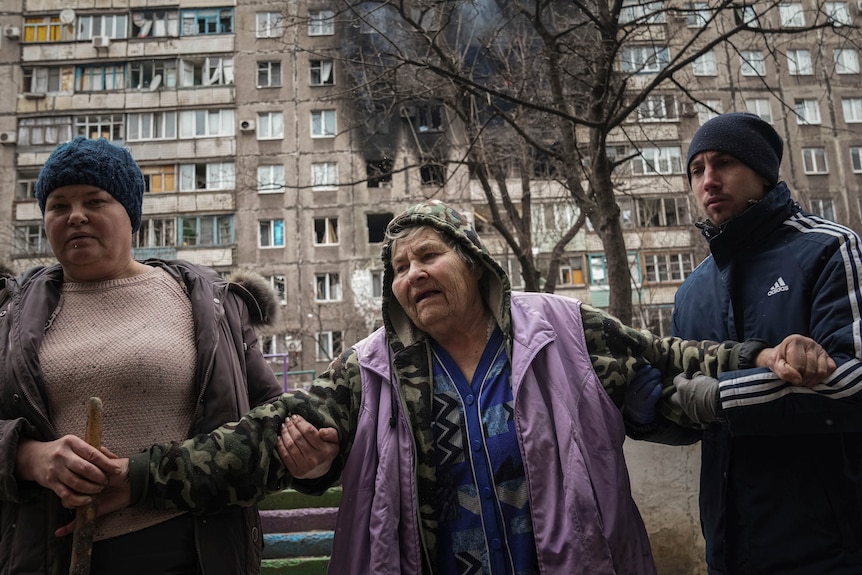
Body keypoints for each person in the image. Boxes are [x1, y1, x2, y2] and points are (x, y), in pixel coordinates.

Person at [95, 199, 834, 575]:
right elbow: (255, 442)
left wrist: (763, 353)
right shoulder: (373, 365)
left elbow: (669, 361)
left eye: (428, 254)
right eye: (398, 267)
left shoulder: (562, 329)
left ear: (474, 259)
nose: (411, 273)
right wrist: (139, 476)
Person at [0, 136, 298, 575]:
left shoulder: (208, 303)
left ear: (131, 214)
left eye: (95, 200)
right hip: (49, 557)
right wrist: (28, 457)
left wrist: (315, 453)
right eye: (58, 205)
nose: (75, 215)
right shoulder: (9, 314)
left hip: (198, 553)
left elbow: (273, 423)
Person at [671, 112, 862, 574]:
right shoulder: (691, 291)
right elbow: (680, 396)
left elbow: (854, 379)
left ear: (761, 172)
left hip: (827, 548)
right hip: (727, 549)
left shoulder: (829, 248)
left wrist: (724, 398)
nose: (709, 181)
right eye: (697, 170)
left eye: (724, 164)